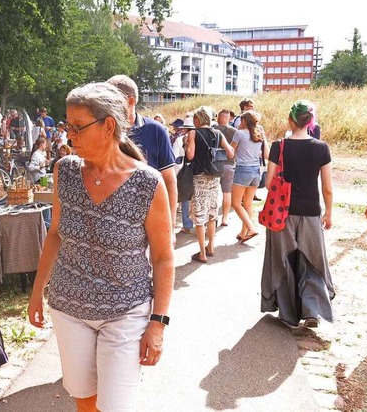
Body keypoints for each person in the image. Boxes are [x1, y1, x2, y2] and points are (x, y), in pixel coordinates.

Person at [28, 82, 174, 412]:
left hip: (126, 311)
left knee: (115, 407)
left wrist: (158, 323)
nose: (69, 136)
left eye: (78, 127)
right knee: (86, 401)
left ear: (108, 126)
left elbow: (164, 258)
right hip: (70, 308)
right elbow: (55, 234)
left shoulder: (147, 183)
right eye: (67, 126)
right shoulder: (64, 171)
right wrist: (37, 291)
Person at [261, 99, 334, 329]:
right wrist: (328, 213)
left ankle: (288, 315)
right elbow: (328, 187)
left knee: (284, 260)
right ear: (311, 122)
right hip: (311, 211)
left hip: (282, 213)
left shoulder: (278, 145)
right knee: (311, 260)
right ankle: (313, 310)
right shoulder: (321, 148)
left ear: (290, 120)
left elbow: (268, 183)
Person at [107, 75, 178, 241]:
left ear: (131, 101)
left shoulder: (156, 131)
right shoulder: (105, 130)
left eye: (113, 101)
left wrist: (171, 226)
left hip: (149, 218)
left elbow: (169, 179)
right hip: (111, 218)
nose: (108, 106)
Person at [185, 107, 234, 263]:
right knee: (212, 214)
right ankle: (211, 246)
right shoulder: (217, 133)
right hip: (214, 177)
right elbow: (231, 152)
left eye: (194, 120)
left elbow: (190, 155)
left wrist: (187, 145)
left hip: (199, 177)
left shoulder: (193, 133)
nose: (193, 122)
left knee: (200, 216)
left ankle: (202, 253)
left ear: (198, 119)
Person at [230, 111, 268, 242]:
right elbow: (265, 153)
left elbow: (231, 152)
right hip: (256, 171)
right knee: (248, 203)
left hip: (243, 169)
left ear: (244, 121)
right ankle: (243, 233)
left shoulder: (239, 134)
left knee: (235, 203)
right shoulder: (258, 135)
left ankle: (251, 228)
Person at [214, 109, 237, 227]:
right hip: (229, 164)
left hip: (214, 165)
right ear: (229, 118)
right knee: (227, 192)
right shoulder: (234, 131)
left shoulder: (214, 130)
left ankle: (211, 218)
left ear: (219, 117)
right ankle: (225, 218)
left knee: (213, 192)